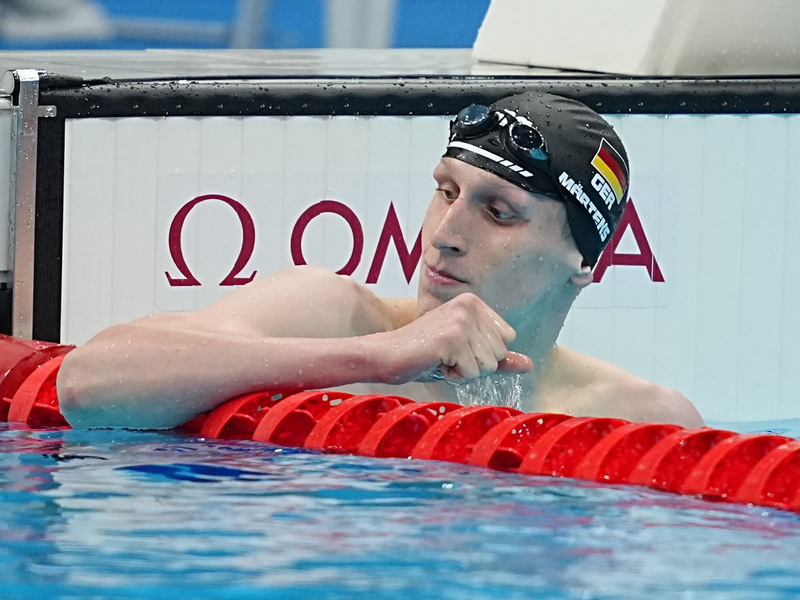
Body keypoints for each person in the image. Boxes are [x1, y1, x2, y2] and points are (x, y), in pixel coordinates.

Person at [56, 91, 704, 429]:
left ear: (585, 259)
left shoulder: (638, 418)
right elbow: (88, 385)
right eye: (445, 191)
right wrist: (375, 360)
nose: (444, 235)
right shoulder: (335, 318)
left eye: (498, 212)